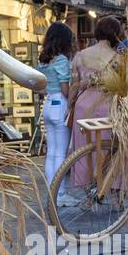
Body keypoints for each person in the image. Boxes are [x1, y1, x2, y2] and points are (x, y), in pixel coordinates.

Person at [66, 14, 125, 195]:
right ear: (116, 34)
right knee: (113, 147)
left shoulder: (81, 56)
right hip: (109, 105)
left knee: (85, 148)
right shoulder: (119, 58)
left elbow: (74, 85)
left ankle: (88, 193)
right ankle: (115, 193)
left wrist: (70, 107)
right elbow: (124, 87)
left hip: (84, 106)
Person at [36, 21, 75, 195]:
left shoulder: (43, 60)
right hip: (60, 104)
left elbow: (42, 88)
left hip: (48, 104)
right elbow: (65, 87)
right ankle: (60, 195)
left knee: (51, 152)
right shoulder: (61, 59)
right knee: (61, 153)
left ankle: (52, 193)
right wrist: (72, 100)